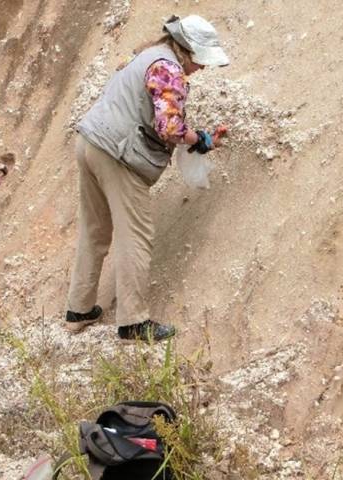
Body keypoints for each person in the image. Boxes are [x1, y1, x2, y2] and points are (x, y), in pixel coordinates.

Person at [65, 15, 230, 342]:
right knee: (135, 235)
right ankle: (133, 323)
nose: (202, 68)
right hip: (118, 154)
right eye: (201, 61)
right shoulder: (169, 69)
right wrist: (199, 139)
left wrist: (197, 138)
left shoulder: (146, 55)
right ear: (188, 50)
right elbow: (168, 127)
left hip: (90, 143)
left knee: (94, 230)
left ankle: (79, 309)